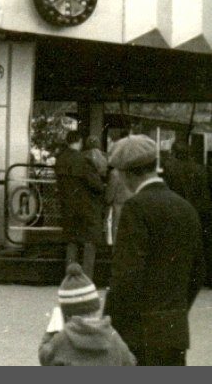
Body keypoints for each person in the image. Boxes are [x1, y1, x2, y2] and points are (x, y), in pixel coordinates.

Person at [105, 134, 205, 366]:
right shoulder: (186, 208)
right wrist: (175, 312)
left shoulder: (135, 209)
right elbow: (197, 272)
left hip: (138, 335)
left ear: (127, 173)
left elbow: (126, 276)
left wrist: (110, 327)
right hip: (175, 333)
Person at [38, 263, 135, 366]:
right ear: (96, 309)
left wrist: (51, 331)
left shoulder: (63, 338)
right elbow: (129, 361)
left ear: (66, 315)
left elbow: (44, 357)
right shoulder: (112, 335)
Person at [54, 130, 104, 279]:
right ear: (79, 141)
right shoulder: (83, 160)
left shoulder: (60, 160)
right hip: (86, 207)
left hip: (68, 207)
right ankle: (86, 278)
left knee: (72, 241)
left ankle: (69, 278)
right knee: (90, 241)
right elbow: (97, 186)